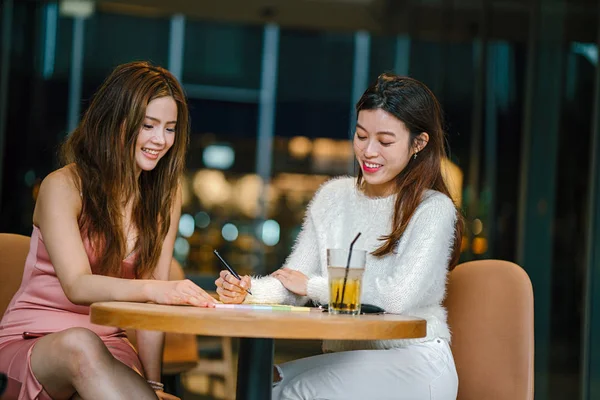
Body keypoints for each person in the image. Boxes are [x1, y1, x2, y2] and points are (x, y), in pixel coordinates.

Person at [215, 73, 464, 399]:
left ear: (418, 143)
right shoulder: (333, 196)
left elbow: (394, 300)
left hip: (414, 362)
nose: (369, 151)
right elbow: (294, 281)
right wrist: (250, 290)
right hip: (353, 359)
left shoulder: (434, 209)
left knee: (293, 393)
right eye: (361, 136)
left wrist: (314, 287)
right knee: (269, 386)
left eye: (385, 142)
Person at [0, 61, 216, 400]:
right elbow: (77, 285)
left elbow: (152, 311)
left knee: (98, 354)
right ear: (116, 122)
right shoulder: (62, 186)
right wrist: (155, 290)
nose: (161, 140)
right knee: (79, 343)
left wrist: (155, 384)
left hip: (111, 347)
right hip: (35, 342)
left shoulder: (165, 196)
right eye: (148, 125)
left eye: (170, 128)